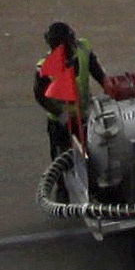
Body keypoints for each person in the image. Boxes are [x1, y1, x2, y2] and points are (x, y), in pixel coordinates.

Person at [32, 23, 86, 164]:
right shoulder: (45, 67)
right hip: (60, 125)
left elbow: (96, 71)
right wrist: (60, 113)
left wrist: (106, 82)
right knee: (63, 164)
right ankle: (62, 186)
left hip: (84, 118)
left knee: (90, 160)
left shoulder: (83, 51)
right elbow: (40, 95)